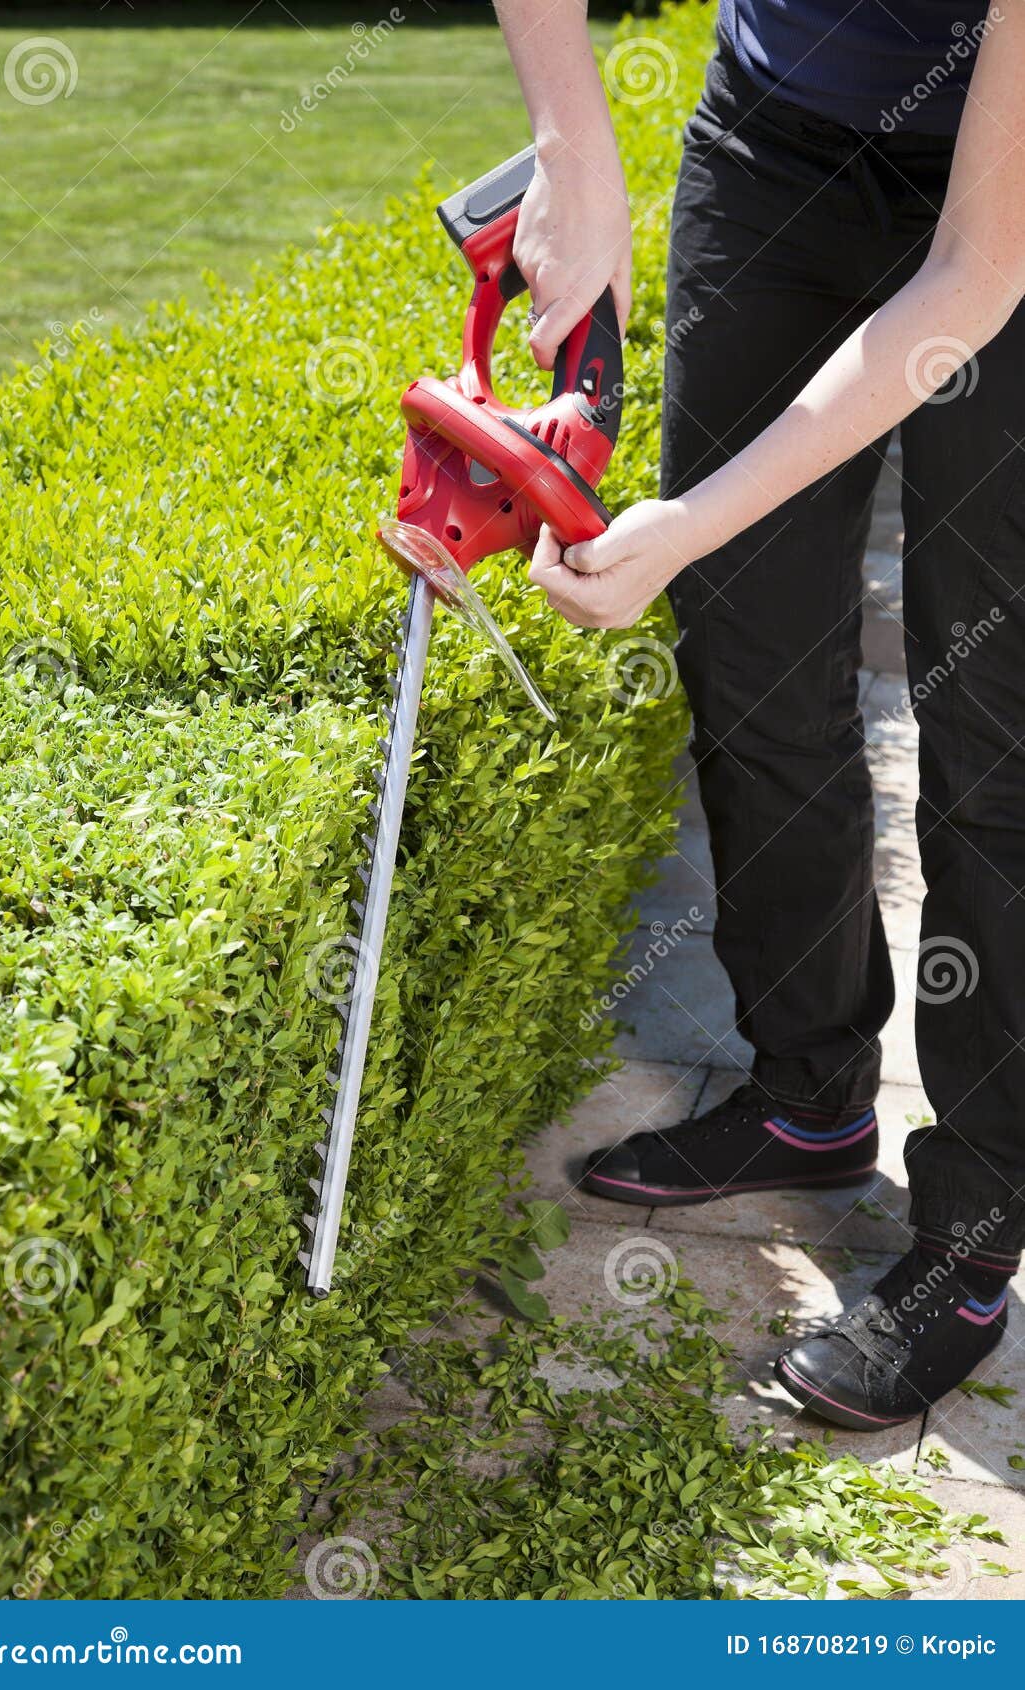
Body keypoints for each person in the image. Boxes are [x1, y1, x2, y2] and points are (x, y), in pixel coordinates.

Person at [494, 0, 1025, 1432]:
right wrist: (571, 152)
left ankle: (971, 1240)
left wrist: (685, 521)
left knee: (993, 734)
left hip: (1004, 217)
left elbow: (973, 277)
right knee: (749, 648)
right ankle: (809, 1091)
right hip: (780, 137)